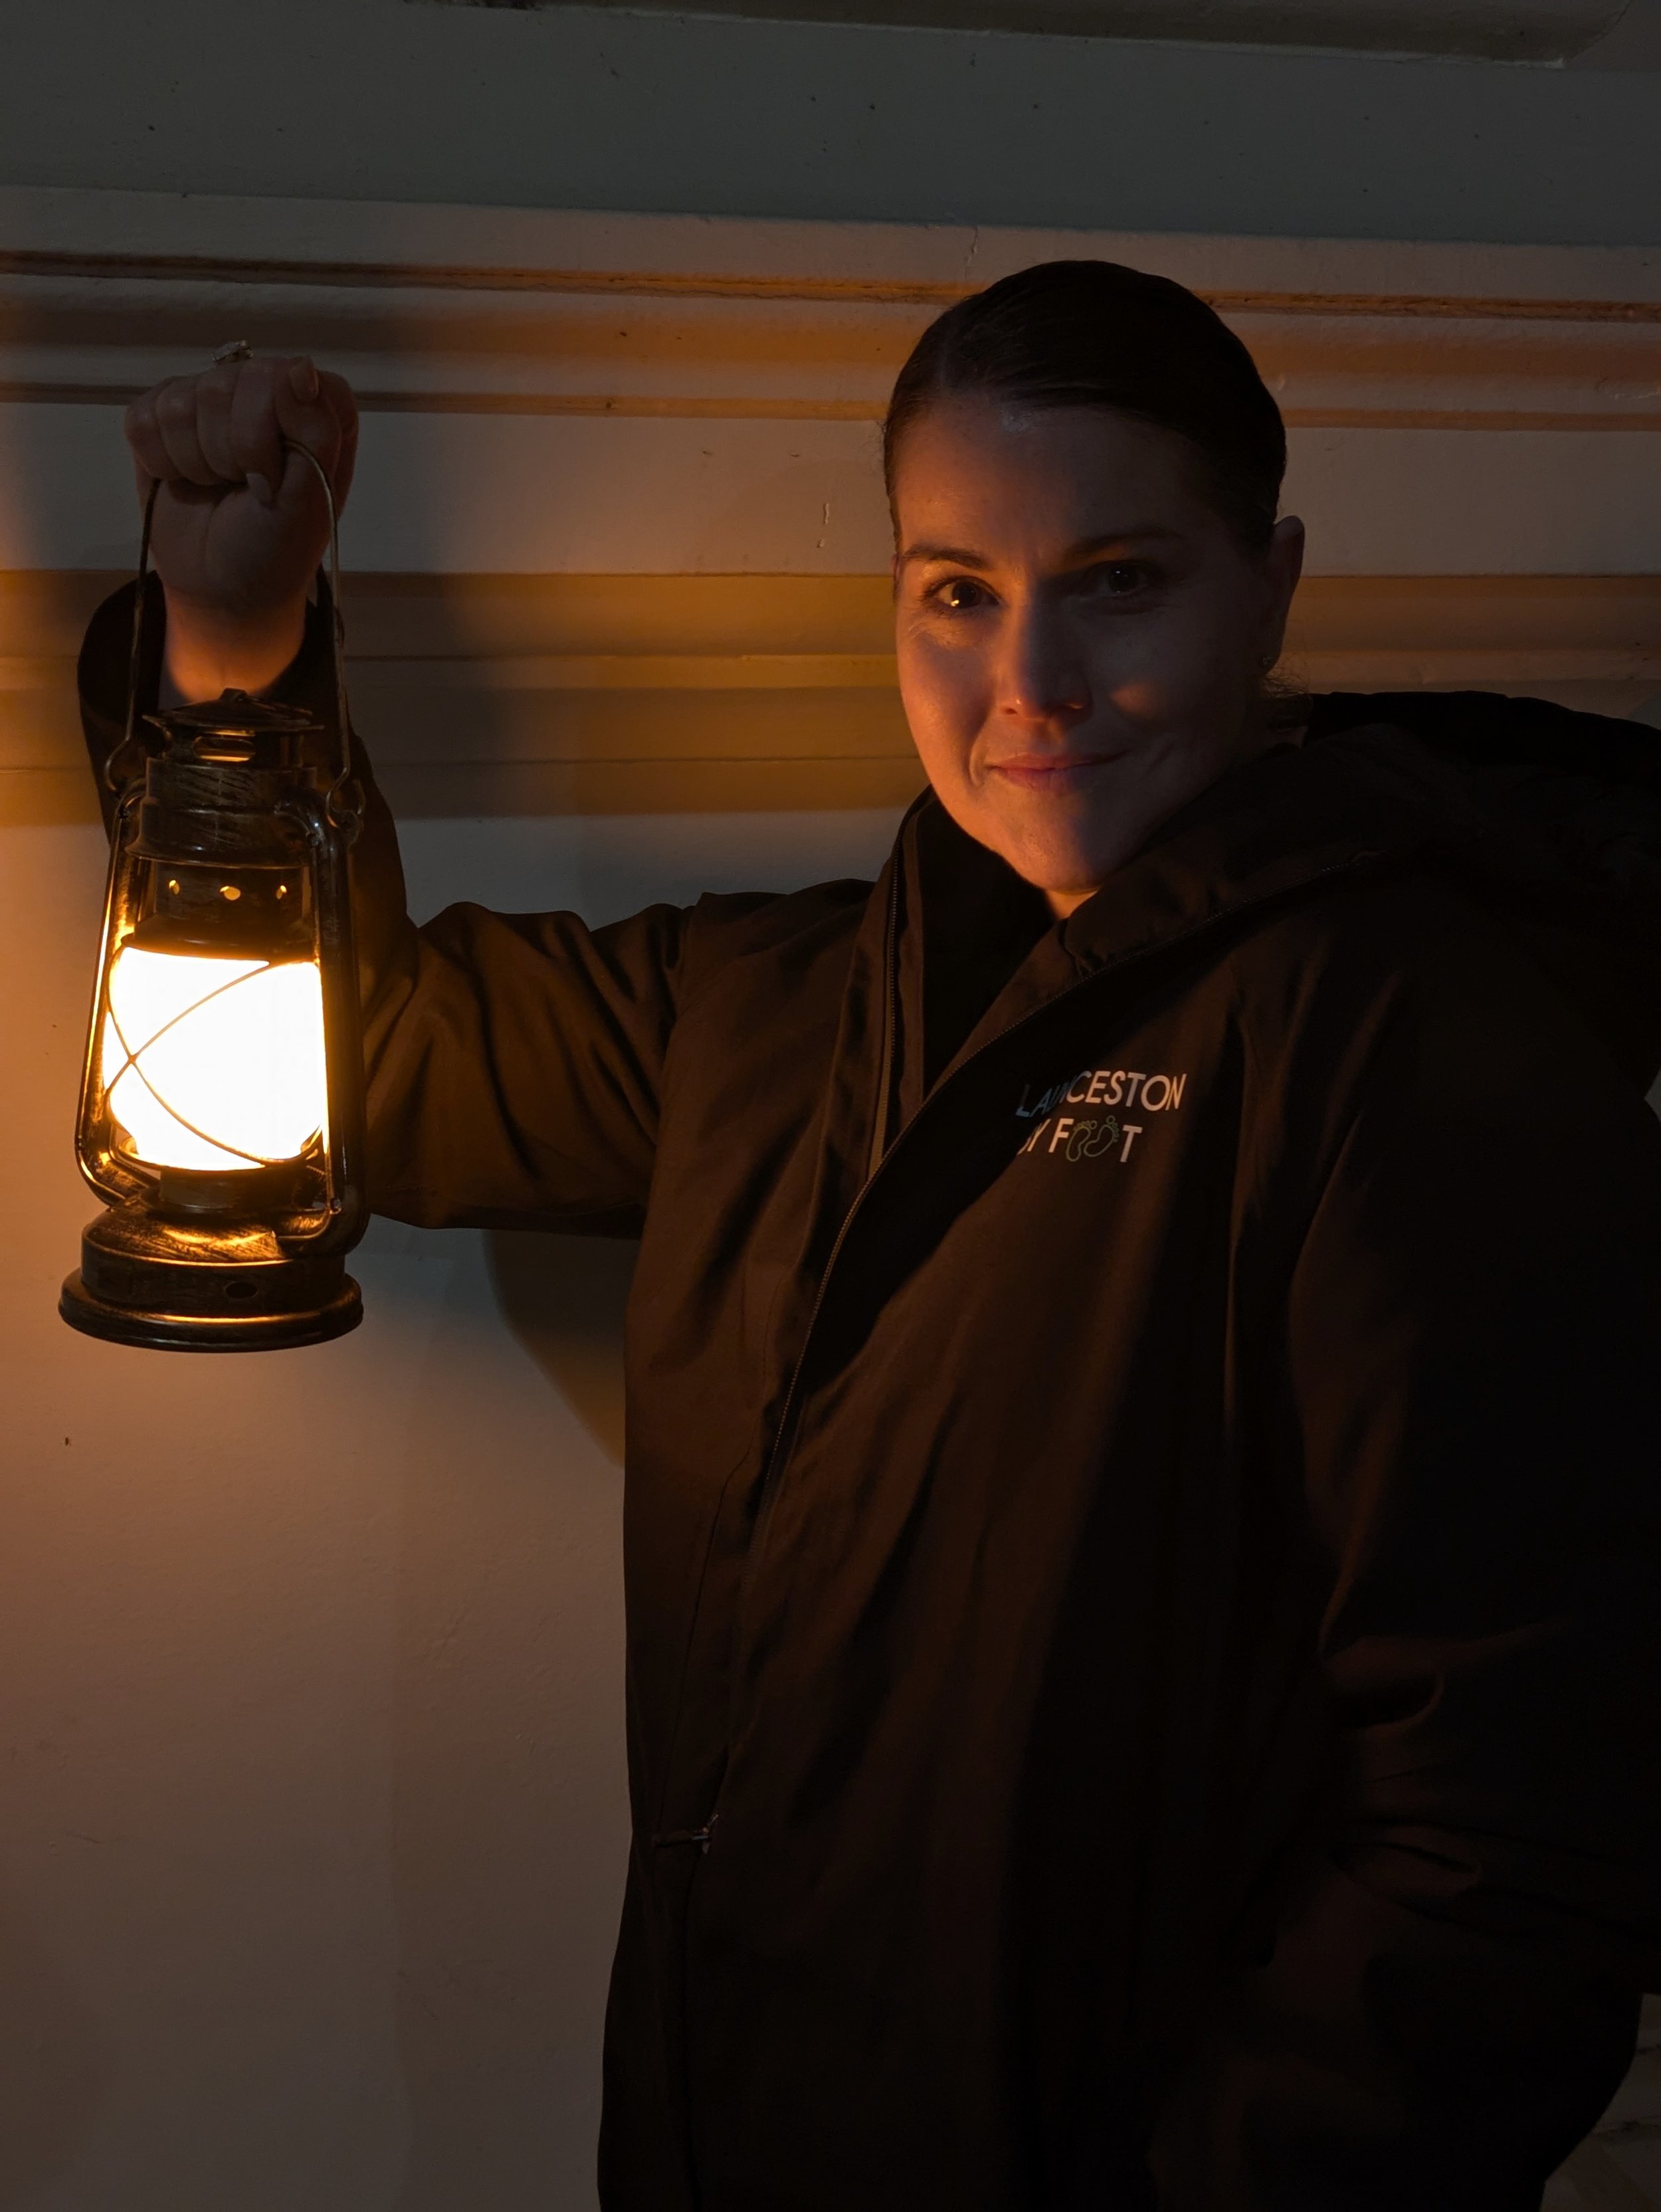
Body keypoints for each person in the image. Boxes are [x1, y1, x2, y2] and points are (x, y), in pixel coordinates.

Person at [79, 261, 1661, 2210]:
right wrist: (231, 638)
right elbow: (364, 1068)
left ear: (1273, 585)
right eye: (955, 592)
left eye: (1119, 579)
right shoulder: (777, 1008)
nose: (1030, 686)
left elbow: (1505, 1845)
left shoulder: (1408, 1041)